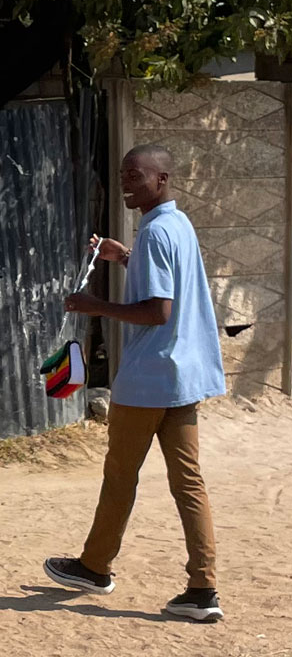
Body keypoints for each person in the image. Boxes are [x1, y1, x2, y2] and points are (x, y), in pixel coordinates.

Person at [44, 145, 227, 623]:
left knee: (120, 476)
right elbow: (163, 288)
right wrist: (123, 257)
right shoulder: (176, 225)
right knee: (189, 483)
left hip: (148, 379)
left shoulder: (156, 233)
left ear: (161, 179)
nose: (126, 183)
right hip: (182, 377)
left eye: (135, 176)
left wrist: (95, 304)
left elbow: (157, 311)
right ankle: (203, 587)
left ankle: (94, 567)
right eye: (124, 174)